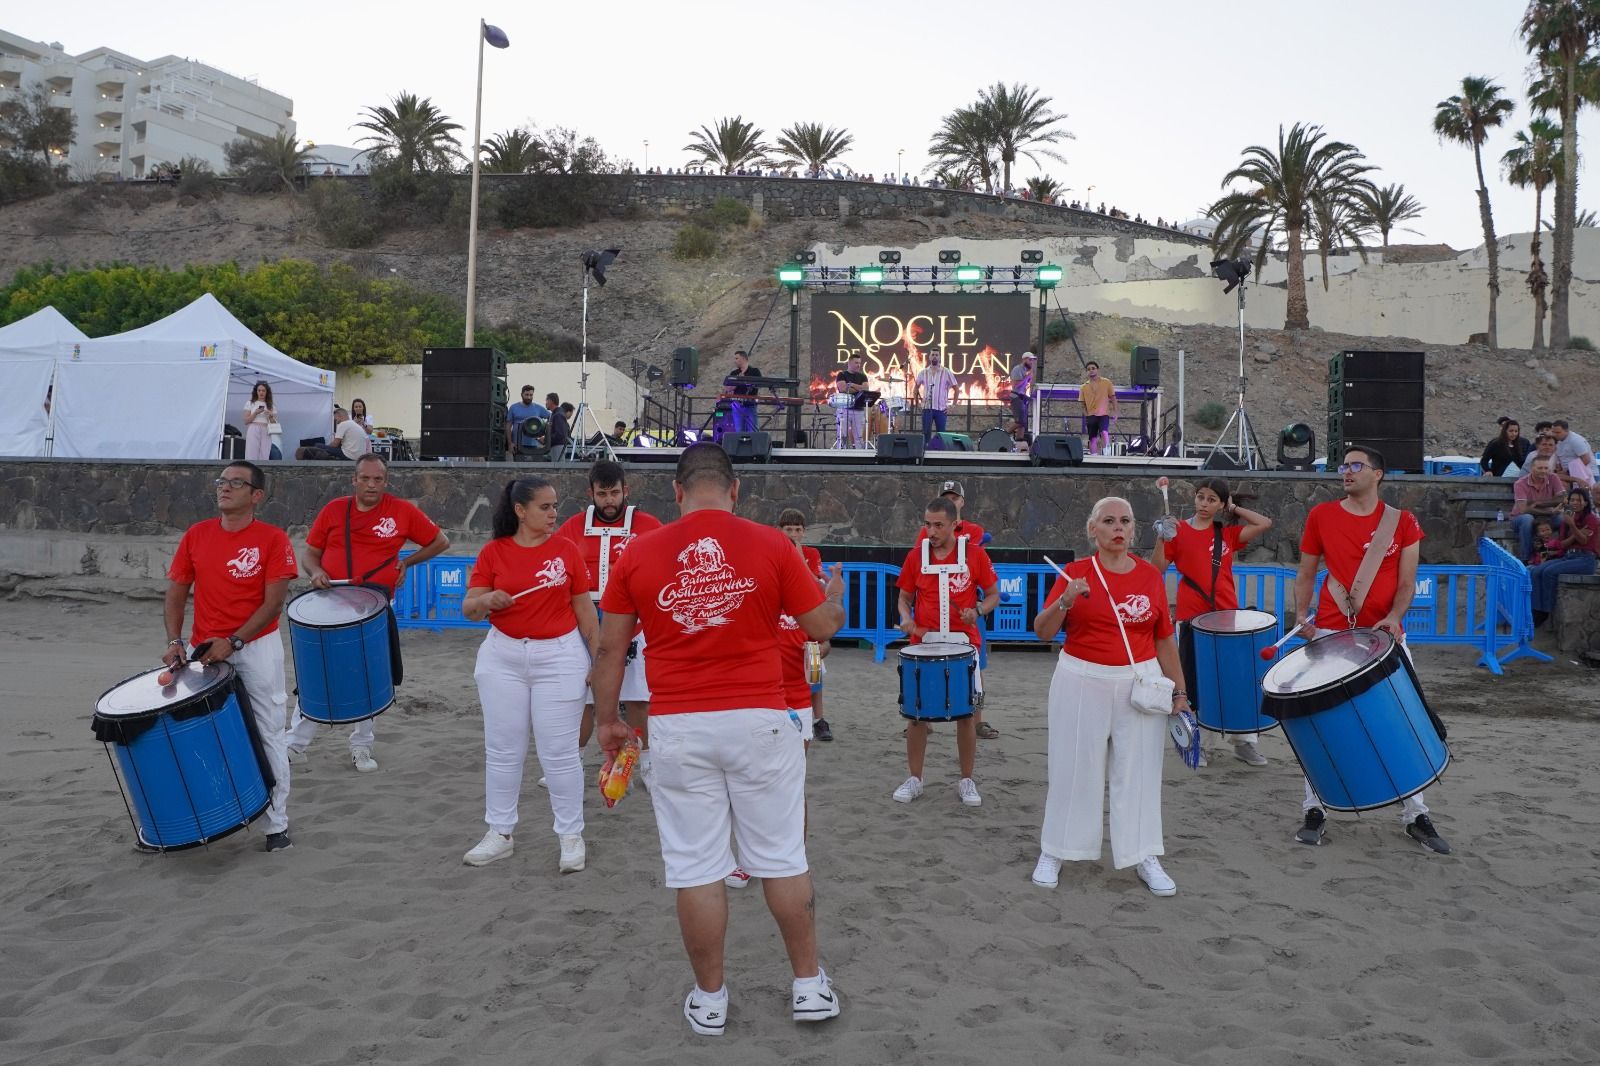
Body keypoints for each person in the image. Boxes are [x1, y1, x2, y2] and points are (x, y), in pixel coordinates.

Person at [591, 444, 846, 1037]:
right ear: (736, 490)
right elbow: (817, 628)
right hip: (759, 716)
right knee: (783, 858)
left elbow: (609, 649)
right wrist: (834, 599)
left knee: (696, 868)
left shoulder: (639, 552)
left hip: (679, 722)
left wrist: (608, 721)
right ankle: (808, 986)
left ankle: (710, 1000)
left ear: (676, 492)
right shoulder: (771, 544)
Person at [1291, 445, 1450, 854]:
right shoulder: (1321, 515)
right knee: (1320, 725)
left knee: (1405, 723)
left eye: (1356, 465)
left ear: (1377, 473)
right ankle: (1315, 808)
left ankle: (1415, 814)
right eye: (1344, 465)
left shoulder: (1402, 521)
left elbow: (1407, 581)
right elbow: (1306, 573)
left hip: (1385, 637)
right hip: (1331, 631)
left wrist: (1395, 617)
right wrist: (1302, 615)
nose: (1346, 471)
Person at [1029, 497, 1187, 896]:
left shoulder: (1150, 576)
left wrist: (1180, 690)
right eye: (1109, 521)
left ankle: (1143, 853)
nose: (1118, 528)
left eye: (1125, 521)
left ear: (1134, 530)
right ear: (1092, 529)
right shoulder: (1074, 573)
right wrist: (1065, 601)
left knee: (1138, 772)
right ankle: (1055, 849)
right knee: (1072, 768)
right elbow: (1042, 631)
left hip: (1140, 680)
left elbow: (1164, 638)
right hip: (1081, 678)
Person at [460, 477, 599, 872]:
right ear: (520, 510)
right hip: (503, 656)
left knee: (560, 753)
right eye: (545, 507)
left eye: (555, 506)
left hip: (559, 657)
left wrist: (598, 660)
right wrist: (487, 599)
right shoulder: (494, 552)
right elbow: (469, 609)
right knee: (503, 750)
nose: (554, 513)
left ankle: (570, 836)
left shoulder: (567, 551)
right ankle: (499, 833)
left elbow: (585, 611)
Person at [161, 461, 298, 852]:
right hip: (203, 649)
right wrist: (175, 641)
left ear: (256, 496)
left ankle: (276, 826)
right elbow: (176, 593)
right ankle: (207, 817)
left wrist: (235, 641)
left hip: (256, 648)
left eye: (236, 483)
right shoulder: (197, 535)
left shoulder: (273, 539)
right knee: (199, 733)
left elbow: (273, 604)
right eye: (222, 481)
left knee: (268, 731)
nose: (225, 487)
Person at [289, 454, 450, 772]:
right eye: (365, 478)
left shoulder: (402, 511)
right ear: (354, 480)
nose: (371, 484)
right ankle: (295, 744)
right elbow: (310, 555)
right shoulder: (334, 510)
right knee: (317, 672)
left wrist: (407, 562)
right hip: (330, 604)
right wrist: (316, 572)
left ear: (386, 482)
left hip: (373, 606)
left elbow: (440, 541)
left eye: (378, 479)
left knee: (369, 674)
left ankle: (361, 746)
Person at [1152, 477, 1273, 766]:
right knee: (1196, 680)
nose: (1204, 504)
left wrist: (1234, 507)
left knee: (1237, 679)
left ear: (1220, 504)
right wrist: (1162, 537)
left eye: (1212, 500)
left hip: (1228, 617)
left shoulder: (1226, 534)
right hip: (1191, 617)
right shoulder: (1178, 531)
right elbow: (1156, 569)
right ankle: (1200, 743)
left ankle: (1244, 741)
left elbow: (1264, 523)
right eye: (1200, 497)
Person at [554, 460, 664, 768]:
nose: (609, 501)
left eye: (614, 493)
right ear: (590, 493)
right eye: (602, 494)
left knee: (637, 697)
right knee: (583, 700)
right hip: (585, 626)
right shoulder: (573, 527)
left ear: (625, 490)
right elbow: (555, 563)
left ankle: (647, 764)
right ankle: (572, 763)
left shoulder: (649, 525)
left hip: (635, 625)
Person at [893, 497, 1000, 807]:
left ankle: (966, 780)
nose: (932, 531)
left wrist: (977, 611)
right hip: (924, 643)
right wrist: (906, 617)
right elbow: (904, 598)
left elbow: (993, 594)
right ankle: (915, 779)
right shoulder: (916, 556)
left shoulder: (975, 554)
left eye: (938, 525)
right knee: (916, 714)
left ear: (955, 524)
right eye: (928, 524)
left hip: (963, 644)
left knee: (965, 715)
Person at [777, 509, 831, 742]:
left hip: (807, 618)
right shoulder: (776, 551)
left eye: (797, 529)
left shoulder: (810, 553)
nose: (793, 534)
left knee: (815, 671)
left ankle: (819, 719)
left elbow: (816, 584)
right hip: (786, 620)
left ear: (804, 532)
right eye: (788, 529)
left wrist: (799, 557)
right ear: (780, 531)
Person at [1531, 487, 1599, 625]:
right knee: (1536, 571)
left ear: (1585, 502)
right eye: (1572, 500)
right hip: (1569, 556)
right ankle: (1535, 608)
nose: (1574, 503)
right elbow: (1562, 544)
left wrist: (1572, 526)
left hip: (1585, 559)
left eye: (1578, 500)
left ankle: (1545, 611)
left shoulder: (1591, 519)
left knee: (1549, 572)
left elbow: (1583, 541)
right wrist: (1575, 533)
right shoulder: (1566, 519)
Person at [1511, 455, 1566, 561]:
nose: (1543, 471)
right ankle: (1527, 559)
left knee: (1563, 519)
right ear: (1532, 468)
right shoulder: (1520, 483)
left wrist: (1539, 503)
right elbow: (1523, 509)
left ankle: (1562, 553)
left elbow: (1563, 498)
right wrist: (1550, 512)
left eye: (1546, 468)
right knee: (1527, 519)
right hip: (1521, 518)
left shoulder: (1553, 478)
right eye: (1540, 468)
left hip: (1546, 517)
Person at [913, 351, 960, 442]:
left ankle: (940, 450)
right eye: (933, 355)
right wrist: (917, 403)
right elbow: (915, 389)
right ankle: (925, 449)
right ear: (929, 357)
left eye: (936, 355)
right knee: (925, 435)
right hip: (927, 408)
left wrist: (953, 405)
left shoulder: (946, 372)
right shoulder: (923, 372)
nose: (935, 356)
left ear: (939, 357)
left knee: (941, 435)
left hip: (941, 409)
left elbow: (956, 389)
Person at [296, 408, 368, 461]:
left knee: (318, 445)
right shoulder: (354, 424)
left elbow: (335, 444)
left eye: (336, 419)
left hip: (349, 456)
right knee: (323, 448)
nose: (336, 421)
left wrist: (326, 448)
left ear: (340, 416)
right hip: (359, 457)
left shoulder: (343, 424)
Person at [1080, 361, 1118, 456]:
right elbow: (1082, 404)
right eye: (1088, 369)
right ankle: (1094, 456)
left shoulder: (1106, 382)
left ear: (1098, 370)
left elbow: (1113, 398)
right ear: (1086, 372)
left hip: (1103, 414)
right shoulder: (1083, 387)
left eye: (1093, 368)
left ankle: (1106, 453)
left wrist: (1115, 412)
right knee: (1092, 438)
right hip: (1091, 415)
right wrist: (1086, 415)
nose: (1091, 370)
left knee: (1104, 432)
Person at [834, 355, 870, 449]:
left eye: (859, 363)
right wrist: (859, 389)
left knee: (859, 437)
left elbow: (866, 389)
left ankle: (859, 455)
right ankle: (841, 454)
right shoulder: (842, 375)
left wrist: (852, 385)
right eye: (856, 363)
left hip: (859, 409)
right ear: (849, 363)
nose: (858, 365)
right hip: (844, 409)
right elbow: (843, 389)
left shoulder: (862, 376)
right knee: (842, 435)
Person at [1551, 420, 1596, 487]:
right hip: (1571, 475)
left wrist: (1567, 472)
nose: (1554, 435)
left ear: (1566, 430)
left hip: (1586, 474)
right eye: (1553, 432)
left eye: (1558, 432)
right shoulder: (1558, 440)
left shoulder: (1575, 440)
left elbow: (1586, 460)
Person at [726, 350, 763, 433]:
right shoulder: (734, 373)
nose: (735, 361)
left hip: (751, 404)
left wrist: (747, 382)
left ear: (743, 359)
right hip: (737, 405)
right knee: (739, 430)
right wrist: (738, 381)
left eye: (737, 358)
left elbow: (760, 384)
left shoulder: (754, 371)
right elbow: (728, 388)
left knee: (753, 430)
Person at [242, 381, 277, 462]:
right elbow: (246, 421)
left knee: (265, 453)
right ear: (256, 391)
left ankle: (262, 469)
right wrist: (255, 413)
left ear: (267, 392)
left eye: (263, 390)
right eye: (259, 390)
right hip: (253, 428)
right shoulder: (250, 403)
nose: (261, 392)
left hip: (266, 429)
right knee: (251, 452)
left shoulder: (271, 405)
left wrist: (270, 416)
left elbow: (274, 424)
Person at [506, 386, 544, 453]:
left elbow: (551, 418)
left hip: (534, 444)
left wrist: (544, 436)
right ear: (521, 394)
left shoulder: (538, 408)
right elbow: (508, 427)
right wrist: (510, 443)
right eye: (526, 395)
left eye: (531, 395)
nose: (529, 397)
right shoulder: (513, 407)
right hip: (517, 444)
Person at [1008, 352, 1036, 434]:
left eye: (1032, 360)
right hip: (1016, 396)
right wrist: (1028, 377)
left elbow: (1028, 384)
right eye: (1030, 360)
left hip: (1023, 397)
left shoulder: (1026, 370)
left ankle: (1020, 439)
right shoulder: (1017, 369)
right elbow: (1015, 385)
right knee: (1020, 422)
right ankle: (1004, 435)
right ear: (1024, 359)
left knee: (1023, 423)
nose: (1031, 362)